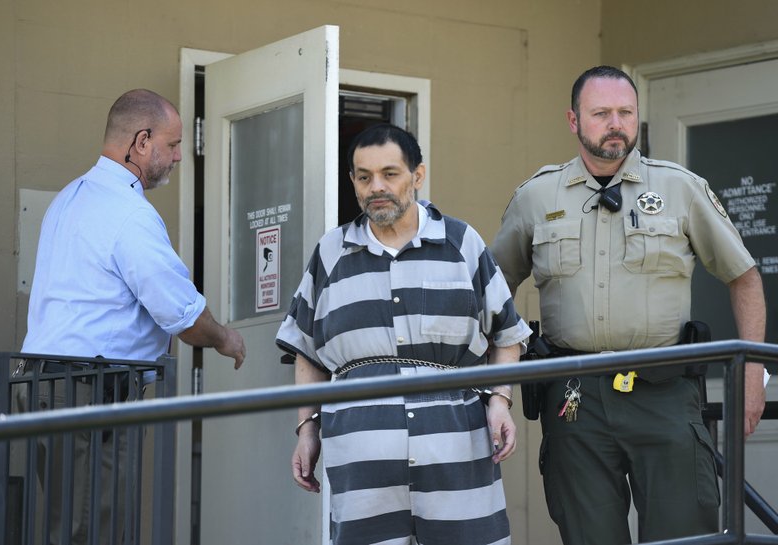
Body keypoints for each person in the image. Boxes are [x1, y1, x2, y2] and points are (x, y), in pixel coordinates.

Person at [490, 65, 767, 545]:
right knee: (588, 535)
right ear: (573, 121)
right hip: (573, 399)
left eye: (625, 112)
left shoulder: (680, 188)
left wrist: (752, 373)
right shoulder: (536, 196)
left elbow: (743, 276)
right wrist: (494, 393)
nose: (615, 123)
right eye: (600, 113)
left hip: (665, 392)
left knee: (685, 535)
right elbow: (494, 295)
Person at [276, 123, 531, 545]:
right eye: (363, 176)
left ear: (418, 175)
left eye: (390, 173)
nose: (376, 186)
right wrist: (307, 430)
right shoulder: (330, 252)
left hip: (457, 450)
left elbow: (507, 334)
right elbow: (307, 352)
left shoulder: (461, 242)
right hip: (362, 460)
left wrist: (501, 402)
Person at [19, 88, 246, 545]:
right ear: (141, 142)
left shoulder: (69, 198)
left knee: (69, 526)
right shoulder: (129, 213)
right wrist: (224, 338)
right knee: (92, 531)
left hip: (44, 385)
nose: (180, 156)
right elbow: (180, 313)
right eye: (173, 143)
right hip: (88, 391)